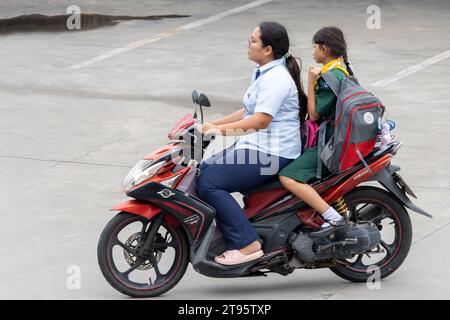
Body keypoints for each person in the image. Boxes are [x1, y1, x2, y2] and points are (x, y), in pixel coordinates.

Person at [196, 21, 308, 265]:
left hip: (273, 153)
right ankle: (227, 229)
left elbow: (260, 120)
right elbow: (248, 111)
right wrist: (211, 125)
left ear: (267, 49)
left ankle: (247, 244)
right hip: (257, 146)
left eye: (253, 40)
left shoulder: (276, 78)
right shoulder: (264, 71)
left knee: (209, 182)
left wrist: (220, 130)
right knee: (201, 170)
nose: (248, 44)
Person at [278, 26, 354, 235]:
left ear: (325, 48)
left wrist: (311, 82)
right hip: (333, 136)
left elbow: (313, 115)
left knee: (288, 177)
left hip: (329, 141)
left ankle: (332, 217)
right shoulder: (341, 68)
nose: (313, 51)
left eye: (315, 46)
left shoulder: (331, 76)